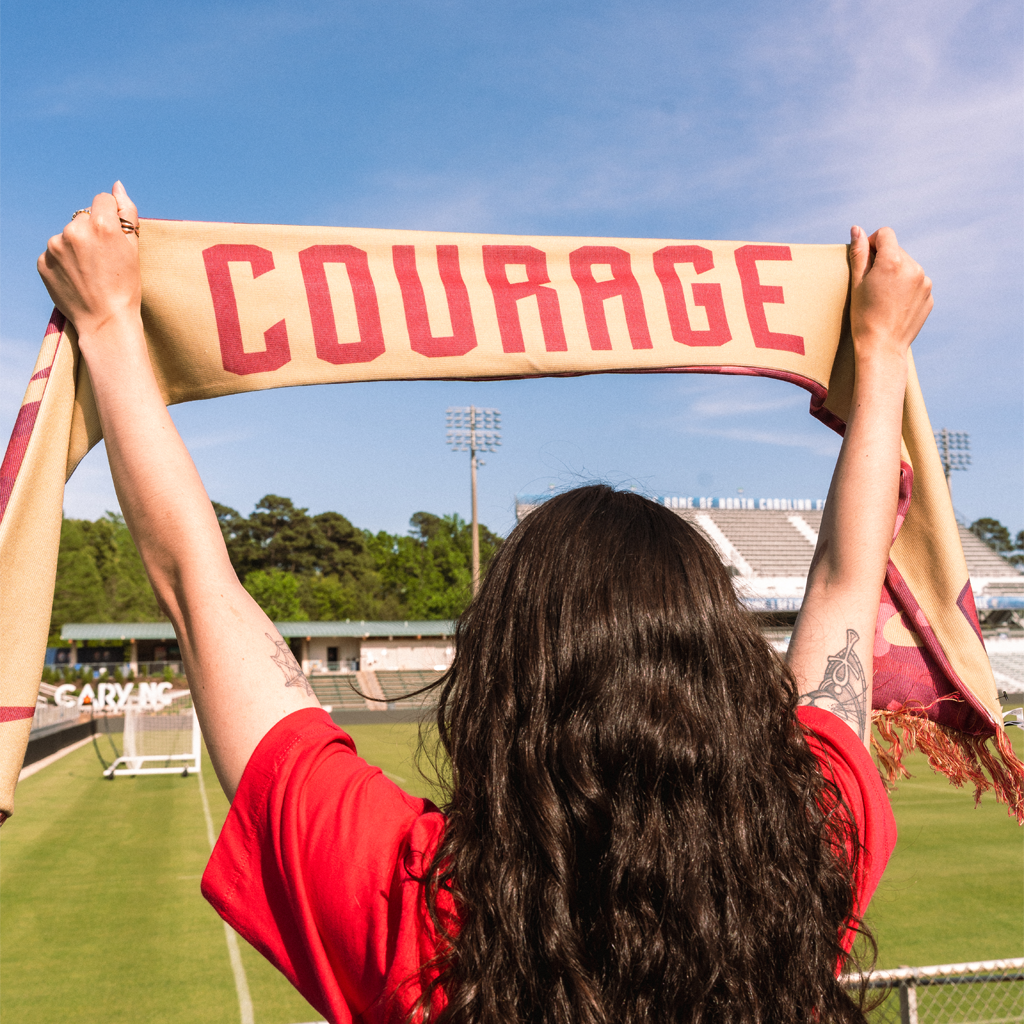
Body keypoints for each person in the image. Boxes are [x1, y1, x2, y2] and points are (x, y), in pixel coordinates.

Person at [38, 185, 931, 1024]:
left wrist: (112, 324)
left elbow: (200, 588)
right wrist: (882, 351)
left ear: (502, 690)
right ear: (727, 678)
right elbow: (848, 583)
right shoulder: (812, 855)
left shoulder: (417, 913)